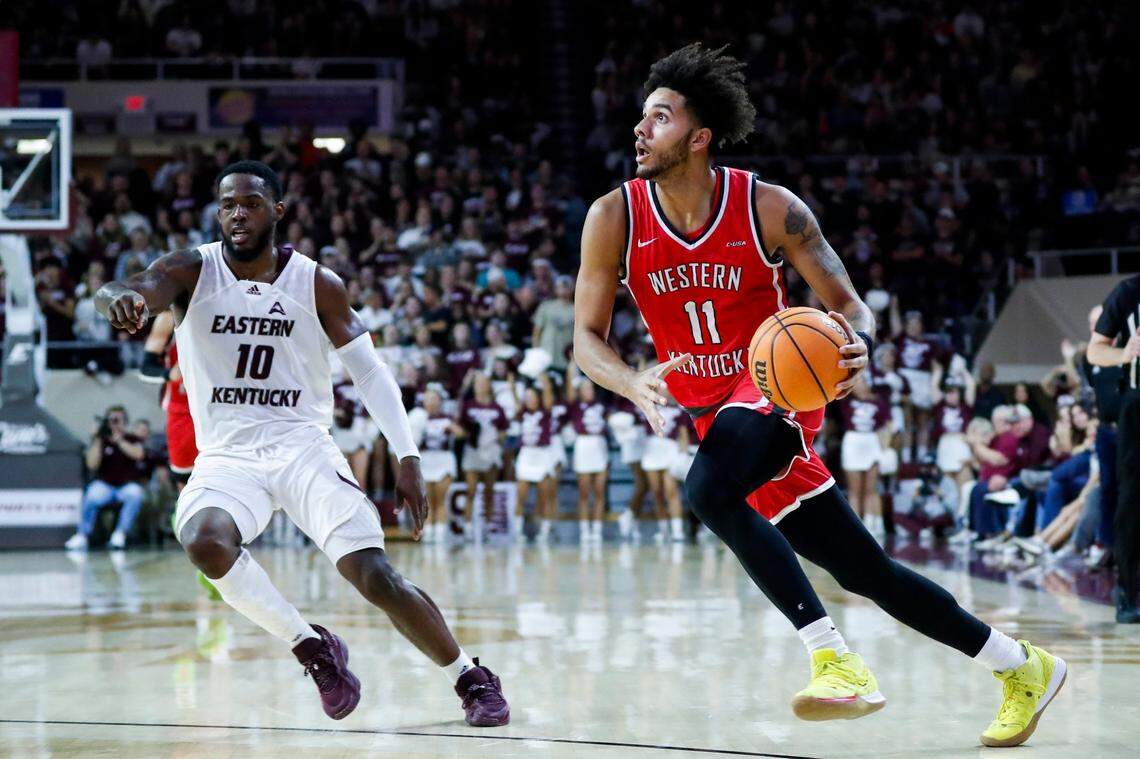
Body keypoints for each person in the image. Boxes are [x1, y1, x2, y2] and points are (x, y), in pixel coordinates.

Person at [571, 44, 1063, 745]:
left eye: (660, 117)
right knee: (869, 571)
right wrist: (629, 379)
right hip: (711, 413)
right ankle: (1022, 665)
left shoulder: (769, 207)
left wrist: (860, 340)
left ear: (700, 137)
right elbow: (586, 339)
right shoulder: (612, 217)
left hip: (777, 381)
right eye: (642, 118)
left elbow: (850, 305)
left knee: (707, 491)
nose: (640, 130)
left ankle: (834, 657)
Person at [92, 160, 509, 726]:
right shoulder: (191, 271)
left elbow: (370, 373)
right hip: (229, 455)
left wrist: (407, 455)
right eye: (228, 205)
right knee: (204, 540)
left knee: (374, 576)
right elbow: (131, 287)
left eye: (251, 203)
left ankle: (469, 676)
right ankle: (311, 646)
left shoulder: (316, 283)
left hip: (302, 446)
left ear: (278, 211)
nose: (238, 214)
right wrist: (116, 298)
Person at [1087, 273, 1140, 623]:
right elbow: (1095, 349)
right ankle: (1127, 591)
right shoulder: (1130, 291)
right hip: (1137, 408)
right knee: (1131, 502)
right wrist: (1125, 352)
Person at [65, 405, 148, 551]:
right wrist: (97, 438)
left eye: (118, 420)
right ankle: (82, 535)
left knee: (136, 494)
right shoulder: (101, 441)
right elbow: (92, 465)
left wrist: (119, 441)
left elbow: (138, 454)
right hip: (106, 486)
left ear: (125, 422)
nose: (115, 423)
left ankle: (120, 533)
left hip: (126, 486)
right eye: (112, 420)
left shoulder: (132, 438)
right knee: (91, 495)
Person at [838, 374, 890, 537]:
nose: (860, 385)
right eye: (857, 382)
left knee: (871, 487)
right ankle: (855, 526)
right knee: (854, 490)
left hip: (871, 440)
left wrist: (885, 448)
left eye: (862, 382)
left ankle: (870, 523)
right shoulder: (846, 400)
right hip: (853, 441)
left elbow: (886, 426)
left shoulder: (878, 401)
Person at [408, 388, 462, 543]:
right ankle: (428, 534)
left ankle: (440, 535)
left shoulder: (448, 418)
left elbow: (461, 434)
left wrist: (451, 427)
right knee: (428, 500)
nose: (431, 402)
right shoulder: (417, 418)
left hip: (443, 458)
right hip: (425, 459)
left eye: (434, 398)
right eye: (428, 399)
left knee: (441, 497)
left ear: (440, 401)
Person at [459, 372, 508, 535]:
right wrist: (473, 434)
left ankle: (487, 524)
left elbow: (503, 430)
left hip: (491, 450)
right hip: (473, 450)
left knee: (489, 489)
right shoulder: (468, 405)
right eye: (476, 383)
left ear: (488, 385)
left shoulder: (497, 407)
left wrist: (492, 436)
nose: (479, 386)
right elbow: (462, 428)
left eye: (482, 383)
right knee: (471, 489)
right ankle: (467, 525)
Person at [567, 373, 609, 542]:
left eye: (591, 388)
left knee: (600, 491)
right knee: (584, 493)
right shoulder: (575, 406)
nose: (589, 391)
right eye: (585, 388)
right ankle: (585, 530)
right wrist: (571, 367)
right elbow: (569, 390)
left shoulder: (601, 405)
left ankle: (597, 530)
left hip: (599, 444)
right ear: (579, 391)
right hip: (583, 445)